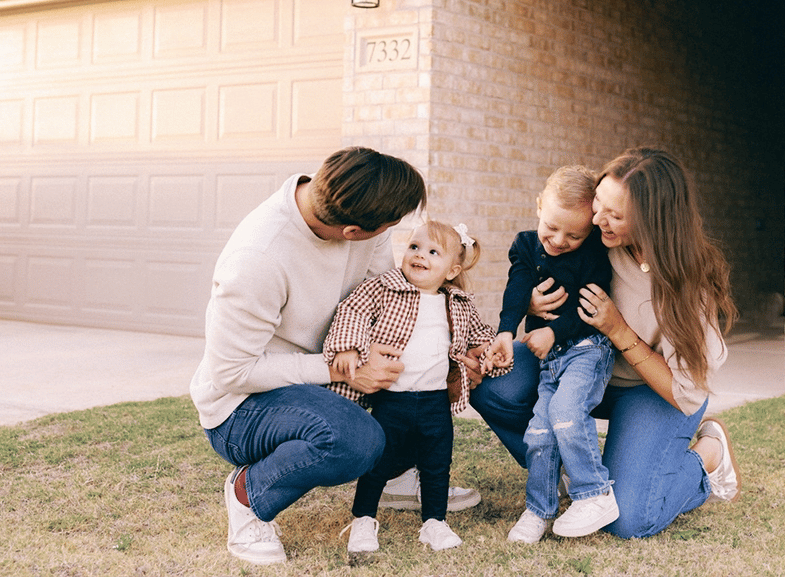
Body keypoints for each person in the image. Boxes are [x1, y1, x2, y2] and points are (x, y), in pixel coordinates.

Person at [190, 147, 474, 566]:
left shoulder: (355, 207)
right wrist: (343, 368)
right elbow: (232, 372)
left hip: (328, 380)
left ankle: (393, 473)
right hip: (243, 406)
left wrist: (444, 349)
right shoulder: (257, 259)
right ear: (354, 231)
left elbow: (382, 295)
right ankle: (249, 495)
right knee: (355, 440)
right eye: (391, 228)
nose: (394, 236)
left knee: (419, 390)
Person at [469, 147, 741, 539]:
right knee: (493, 384)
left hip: (652, 391)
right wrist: (529, 303)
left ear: (653, 222)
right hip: (578, 365)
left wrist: (619, 330)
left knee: (628, 519)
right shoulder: (592, 236)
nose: (597, 219)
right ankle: (567, 472)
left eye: (614, 215)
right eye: (599, 203)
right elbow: (538, 266)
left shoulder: (688, 284)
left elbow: (683, 392)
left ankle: (709, 458)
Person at [324, 221, 509, 553]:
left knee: (437, 462)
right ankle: (364, 519)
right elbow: (352, 310)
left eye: (433, 252)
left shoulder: (459, 303)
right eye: (414, 247)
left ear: (452, 270)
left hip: (435, 400)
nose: (420, 255)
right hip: (391, 398)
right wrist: (349, 346)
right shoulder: (383, 288)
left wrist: (485, 351)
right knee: (377, 461)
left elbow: (478, 333)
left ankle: (434, 522)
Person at [488, 165, 616, 542]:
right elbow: (517, 287)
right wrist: (506, 331)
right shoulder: (526, 245)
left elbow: (590, 309)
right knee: (540, 432)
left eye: (574, 234)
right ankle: (537, 510)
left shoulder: (594, 255)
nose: (558, 240)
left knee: (564, 412)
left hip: (588, 349)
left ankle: (595, 492)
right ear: (540, 206)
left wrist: (551, 330)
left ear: (590, 229)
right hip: (552, 358)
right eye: (552, 227)